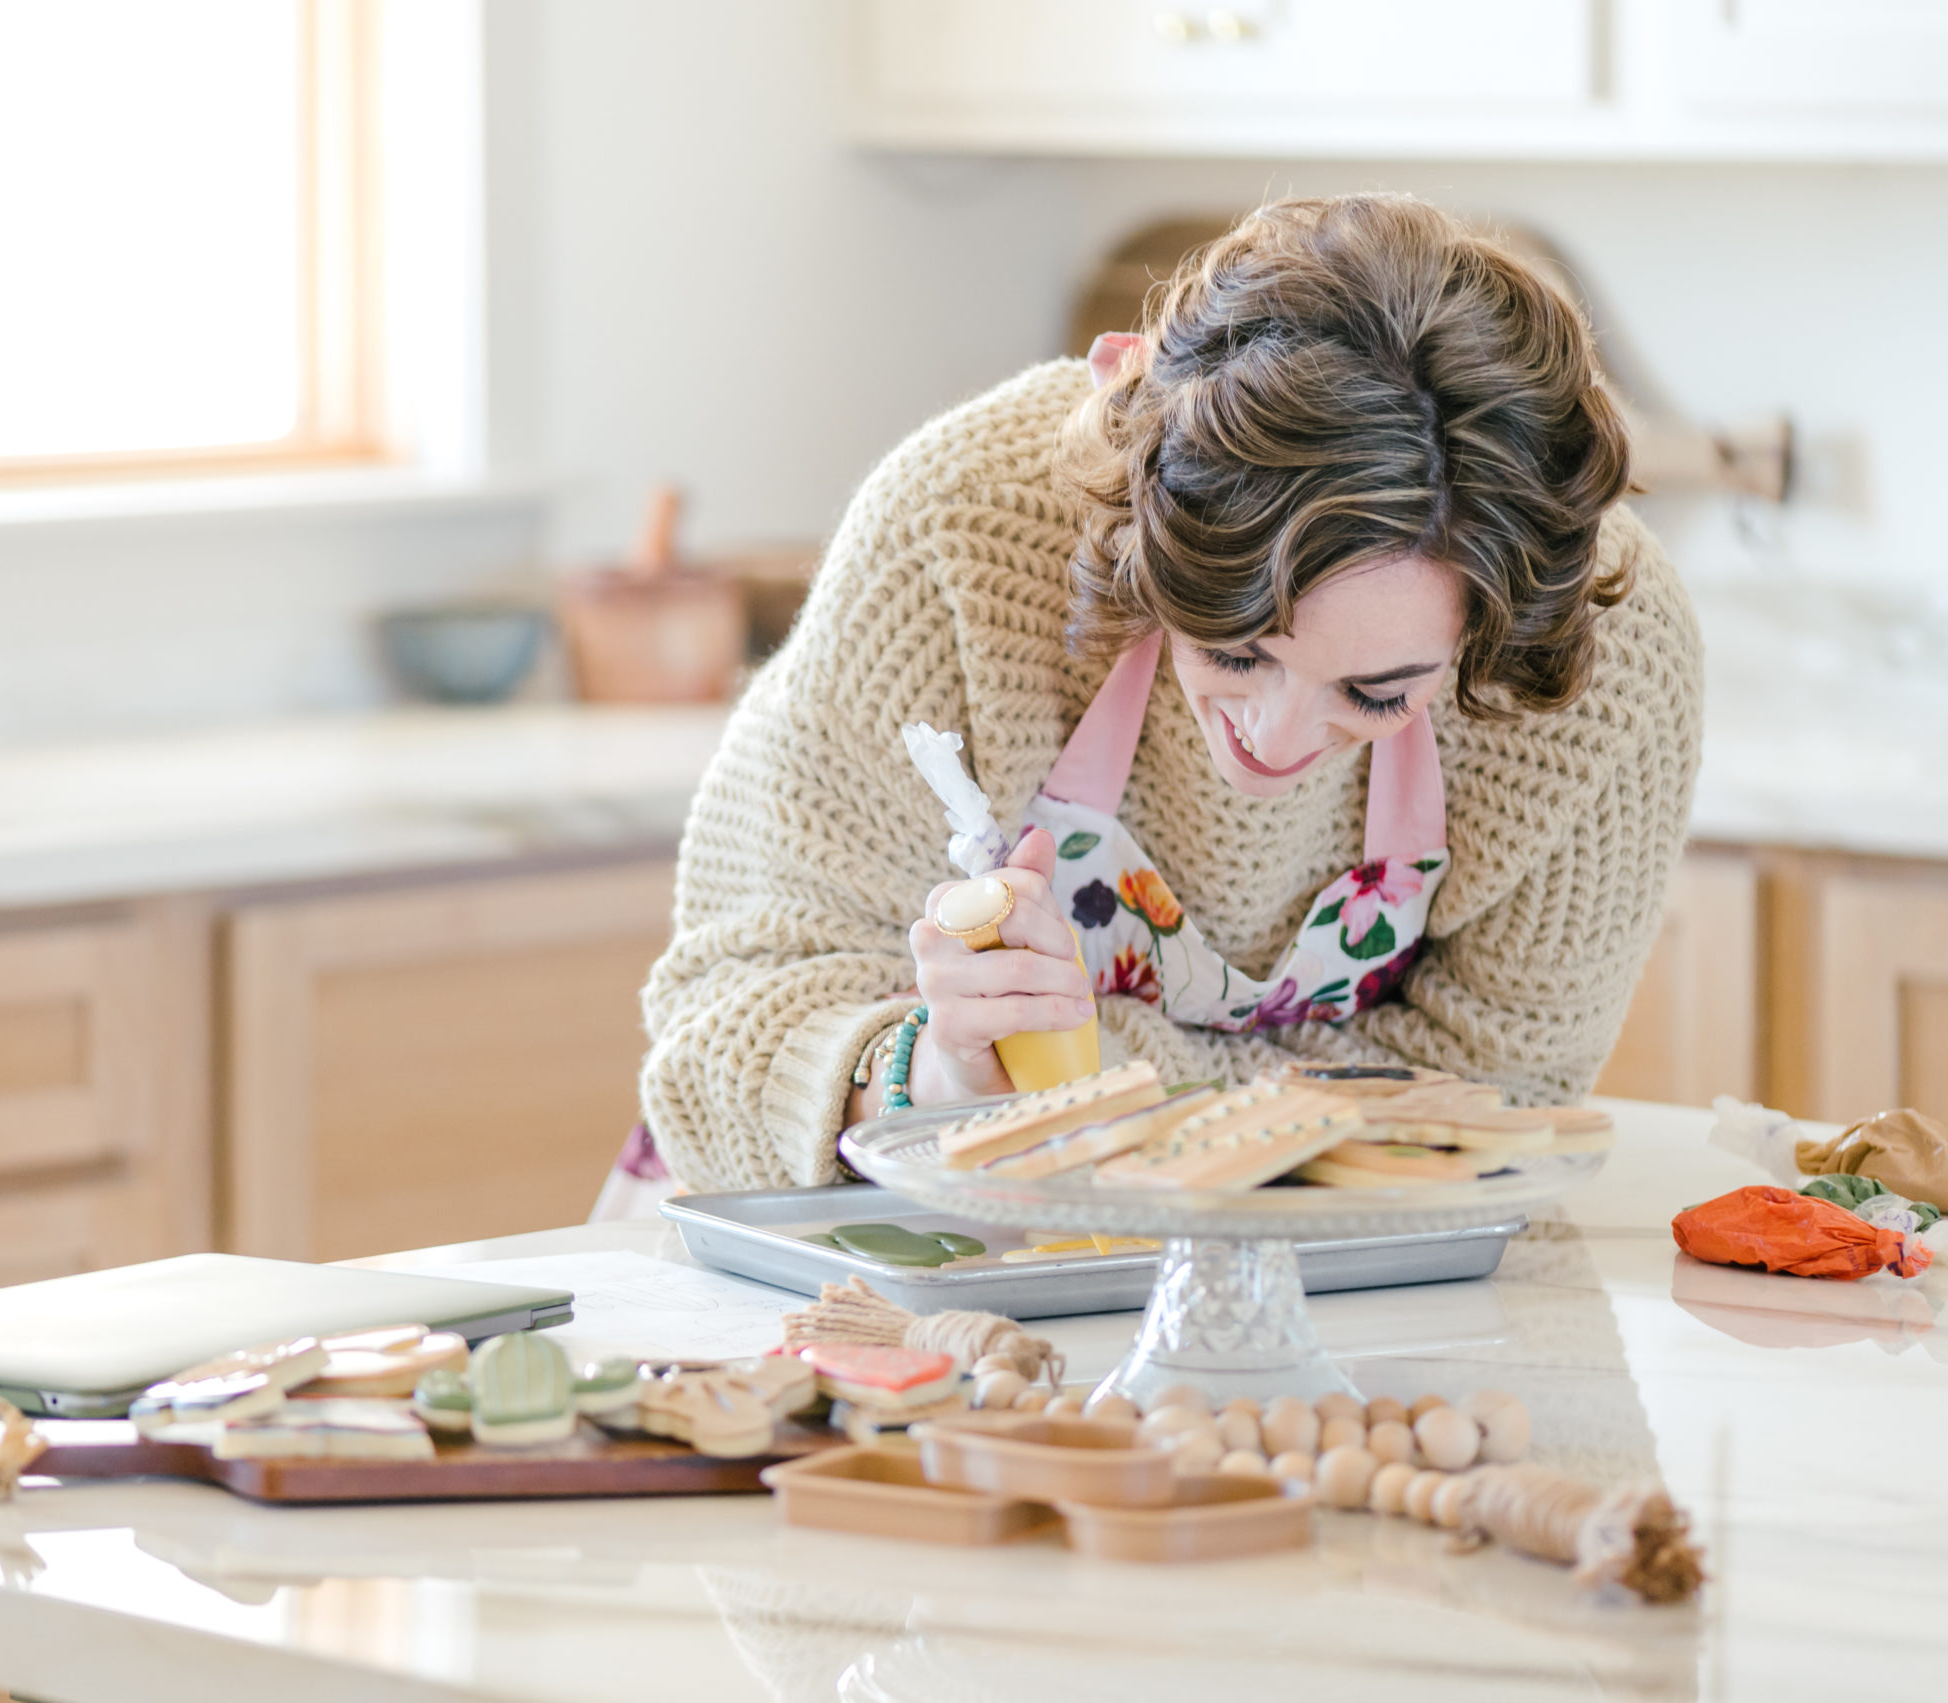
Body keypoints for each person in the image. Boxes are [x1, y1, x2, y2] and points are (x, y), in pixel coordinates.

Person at [638, 193, 1702, 1192]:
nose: (1273, 737)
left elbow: (1501, 1102)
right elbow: (729, 1023)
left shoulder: (1611, 658)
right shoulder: (963, 527)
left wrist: (1088, 1064)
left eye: (1377, 692)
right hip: (903, 1244)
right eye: (1236, 649)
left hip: (1349, 1278)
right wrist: (940, 1075)